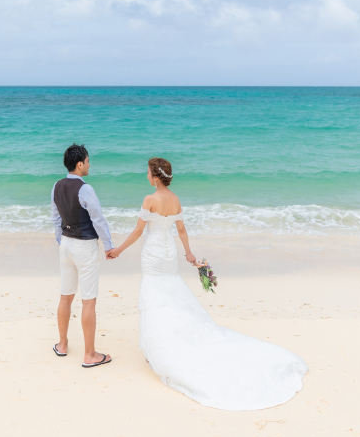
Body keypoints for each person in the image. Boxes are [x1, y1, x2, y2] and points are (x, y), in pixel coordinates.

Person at [107, 156, 307, 409]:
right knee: (168, 291)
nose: (146, 176)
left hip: (154, 254)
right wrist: (188, 253)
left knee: (154, 294)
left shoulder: (150, 199)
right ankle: (163, 341)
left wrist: (118, 250)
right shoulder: (175, 198)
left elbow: (138, 232)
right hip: (169, 255)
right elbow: (180, 230)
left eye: (147, 172)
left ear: (155, 177)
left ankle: (156, 350)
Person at [51, 143, 114, 367]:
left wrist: (62, 241)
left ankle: (62, 344)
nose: (89, 164)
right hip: (85, 247)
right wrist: (108, 245)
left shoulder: (56, 186)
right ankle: (89, 354)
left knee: (65, 296)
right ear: (79, 164)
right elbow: (98, 219)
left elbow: (56, 219)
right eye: (87, 161)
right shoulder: (86, 189)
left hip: (66, 246)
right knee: (88, 301)